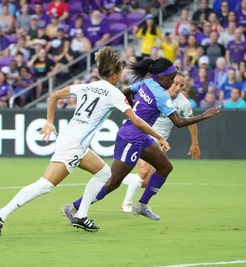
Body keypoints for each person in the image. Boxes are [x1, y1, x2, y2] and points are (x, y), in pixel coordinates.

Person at [0, 47, 170, 236]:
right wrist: (158, 136)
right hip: (74, 144)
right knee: (45, 185)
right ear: (115, 74)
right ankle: (1, 213)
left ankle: (81, 215)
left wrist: (50, 122)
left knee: (103, 172)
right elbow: (137, 121)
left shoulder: (88, 86)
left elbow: (54, 96)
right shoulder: (113, 92)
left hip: (74, 140)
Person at [62, 58, 221, 225]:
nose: (173, 81)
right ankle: (73, 207)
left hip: (141, 137)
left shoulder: (146, 83)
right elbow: (179, 122)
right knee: (113, 182)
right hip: (130, 139)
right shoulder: (161, 95)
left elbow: (125, 91)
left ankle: (142, 205)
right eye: (171, 78)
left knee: (165, 167)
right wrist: (204, 116)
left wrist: (131, 110)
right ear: (161, 77)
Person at [120, 70, 201, 212]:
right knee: (144, 171)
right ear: (169, 81)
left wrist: (195, 143)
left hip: (160, 142)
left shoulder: (183, 102)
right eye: (175, 83)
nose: (177, 87)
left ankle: (116, 177)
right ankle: (126, 204)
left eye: (181, 85)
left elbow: (191, 122)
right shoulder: (155, 92)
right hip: (142, 134)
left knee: (145, 182)